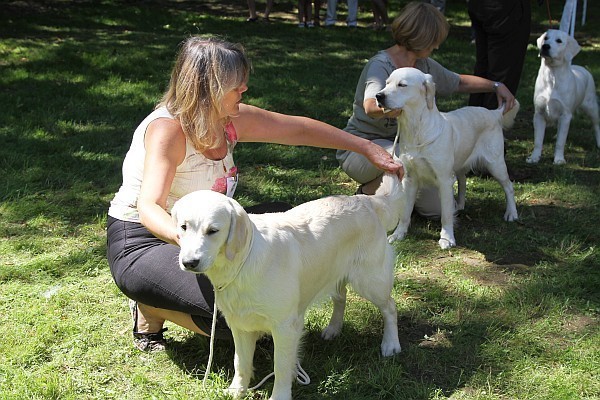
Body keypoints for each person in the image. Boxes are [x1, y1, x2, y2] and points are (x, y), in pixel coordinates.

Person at [106, 36, 402, 352]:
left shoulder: (229, 117)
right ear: (209, 88)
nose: (244, 89)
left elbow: (298, 130)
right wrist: (193, 244)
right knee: (233, 314)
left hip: (204, 235)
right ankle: (149, 306)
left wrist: (365, 147)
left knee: (290, 236)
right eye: (237, 85)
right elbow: (149, 206)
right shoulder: (169, 130)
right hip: (144, 240)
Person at [336, 1, 516, 218]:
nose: (437, 46)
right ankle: (367, 193)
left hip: (406, 145)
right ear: (421, 38)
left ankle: (392, 191)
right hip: (361, 148)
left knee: (437, 209)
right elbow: (371, 106)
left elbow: (457, 82)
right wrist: (397, 108)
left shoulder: (423, 66)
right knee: (405, 159)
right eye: (434, 41)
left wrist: (496, 86)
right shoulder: (381, 65)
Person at [468, 0, 531, 109]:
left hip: (482, 6)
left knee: (483, 66)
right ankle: (490, 121)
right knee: (502, 72)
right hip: (505, 10)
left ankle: (474, 120)